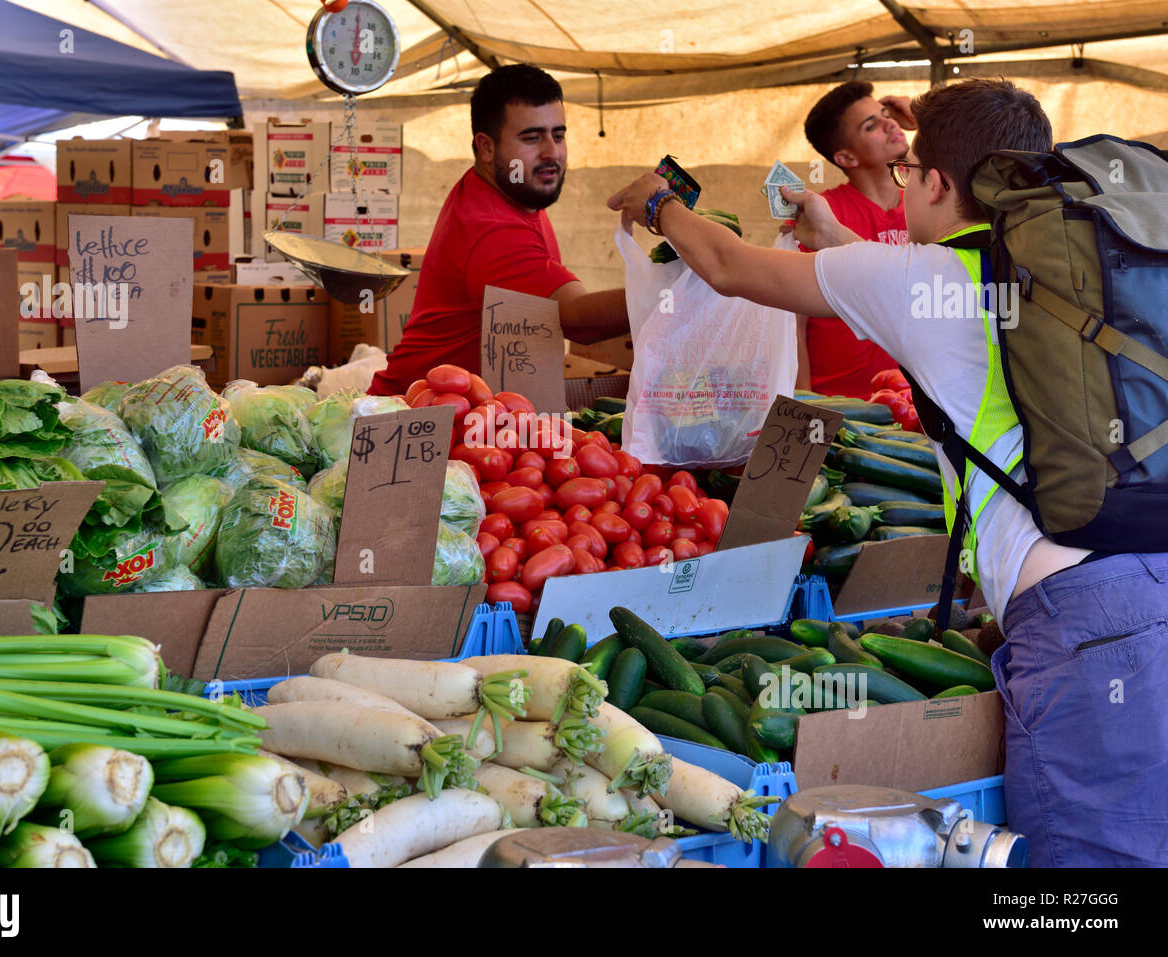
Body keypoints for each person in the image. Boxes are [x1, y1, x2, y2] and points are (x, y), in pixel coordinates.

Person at [608, 77, 1168, 867]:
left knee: (1085, 880)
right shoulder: (1061, 282)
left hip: (1082, 626)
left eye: (912, 173)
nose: (903, 183)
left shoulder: (926, 279)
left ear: (937, 183)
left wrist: (658, 201)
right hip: (1148, 580)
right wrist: (831, 228)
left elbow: (729, 266)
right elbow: (895, 289)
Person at [369, 65, 627, 396]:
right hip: (409, 427)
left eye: (558, 135)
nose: (552, 152)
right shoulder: (492, 228)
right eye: (532, 138)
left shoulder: (511, 191)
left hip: (465, 419)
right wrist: (675, 289)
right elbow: (579, 322)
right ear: (486, 147)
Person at [793, 81, 914, 398]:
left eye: (886, 113)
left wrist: (924, 119)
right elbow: (793, 322)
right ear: (846, 158)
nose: (891, 123)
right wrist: (803, 406)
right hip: (844, 414)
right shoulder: (819, 215)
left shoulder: (928, 205)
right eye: (872, 125)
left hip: (916, 411)